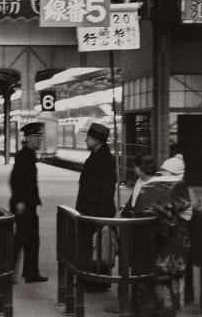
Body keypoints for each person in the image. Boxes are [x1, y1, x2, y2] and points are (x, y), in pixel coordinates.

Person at [121, 153, 192, 317]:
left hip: (146, 241)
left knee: (149, 277)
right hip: (173, 242)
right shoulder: (179, 188)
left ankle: (147, 308)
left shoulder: (148, 186)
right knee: (171, 278)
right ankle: (169, 310)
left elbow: (138, 209)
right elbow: (187, 210)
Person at [75, 122, 117, 292]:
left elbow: (107, 189)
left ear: (97, 140)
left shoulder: (105, 159)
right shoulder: (97, 155)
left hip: (97, 211)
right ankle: (92, 279)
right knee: (92, 247)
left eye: (89, 137)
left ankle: (97, 282)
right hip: (90, 210)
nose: (86, 140)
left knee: (98, 246)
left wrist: (101, 217)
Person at [9, 122, 48, 283]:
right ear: (29, 138)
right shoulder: (23, 155)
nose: (40, 140)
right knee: (20, 240)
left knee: (31, 240)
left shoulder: (30, 155)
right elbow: (15, 180)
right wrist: (19, 201)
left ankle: (30, 272)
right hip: (23, 205)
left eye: (40, 137)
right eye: (37, 137)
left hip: (29, 204)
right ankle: (9, 271)